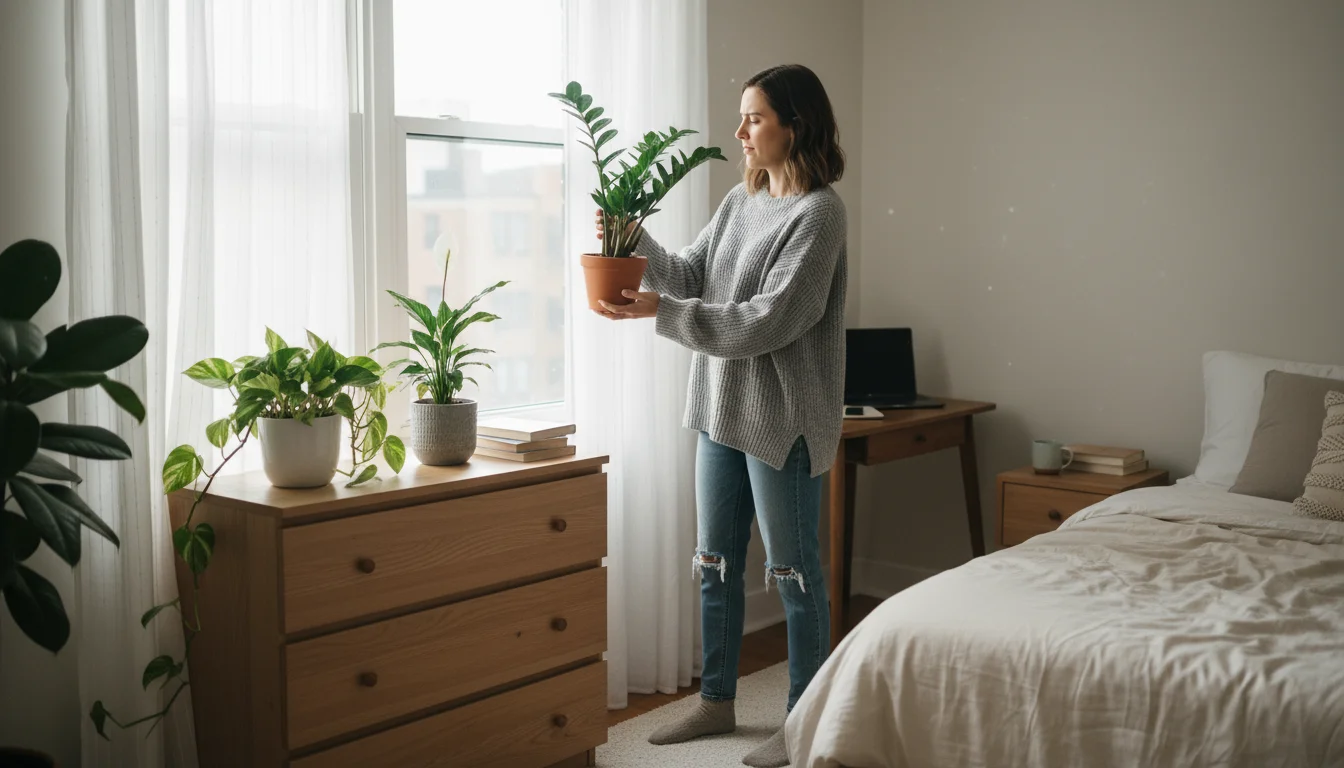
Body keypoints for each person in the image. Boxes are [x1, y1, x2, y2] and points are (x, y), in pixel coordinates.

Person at [594, 63, 847, 768]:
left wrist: (663, 314)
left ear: (795, 126)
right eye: (742, 117)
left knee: (795, 574)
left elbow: (772, 321)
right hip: (718, 410)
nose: (740, 132)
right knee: (713, 563)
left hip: (783, 421)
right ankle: (715, 702)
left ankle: (804, 722)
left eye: (755, 119)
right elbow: (686, 275)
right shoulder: (743, 200)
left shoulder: (819, 214)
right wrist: (632, 237)